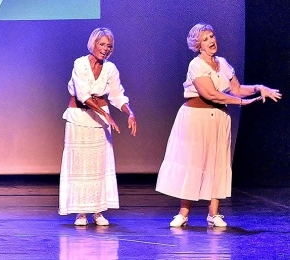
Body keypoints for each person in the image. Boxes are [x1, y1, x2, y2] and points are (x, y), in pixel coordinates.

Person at [156, 23, 281, 228]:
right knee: (192, 162)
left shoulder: (222, 63)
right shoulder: (196, 65)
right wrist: (241, 103)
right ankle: (183, 213)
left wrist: (259, 88)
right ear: (198, 45)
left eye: (212, 36)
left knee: (218, 162)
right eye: (205, 39)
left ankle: (213, 214)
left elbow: (237, 89)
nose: (211, 41)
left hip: (220, 118)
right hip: (196, 117)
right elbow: (211, 94)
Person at [58, 28, 137, 226]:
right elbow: (82, 95)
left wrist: (130, 113)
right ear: (93, 44)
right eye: (102, 44)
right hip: (79, 118)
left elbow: (117, 96)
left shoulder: (111, 69)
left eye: (109, 46)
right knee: (80, 164)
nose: (105, 49)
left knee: (99, 164)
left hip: (100, 121)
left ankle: (98, 210)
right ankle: (81, 212)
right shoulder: (80, 64)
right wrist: (106, 115)